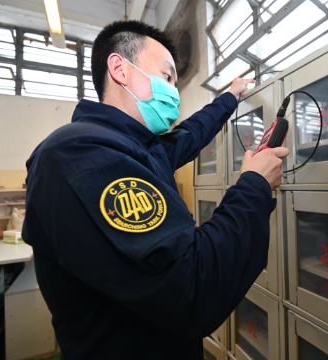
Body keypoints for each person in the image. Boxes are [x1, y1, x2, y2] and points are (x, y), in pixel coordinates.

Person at [22, 20, 289, 359]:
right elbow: (194, 287)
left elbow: (192, 133)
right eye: (166, 78)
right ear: (119, 68)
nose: (174, 93)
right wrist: (255, 185)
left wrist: (230, 97)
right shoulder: (79, 153)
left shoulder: (139, 147)